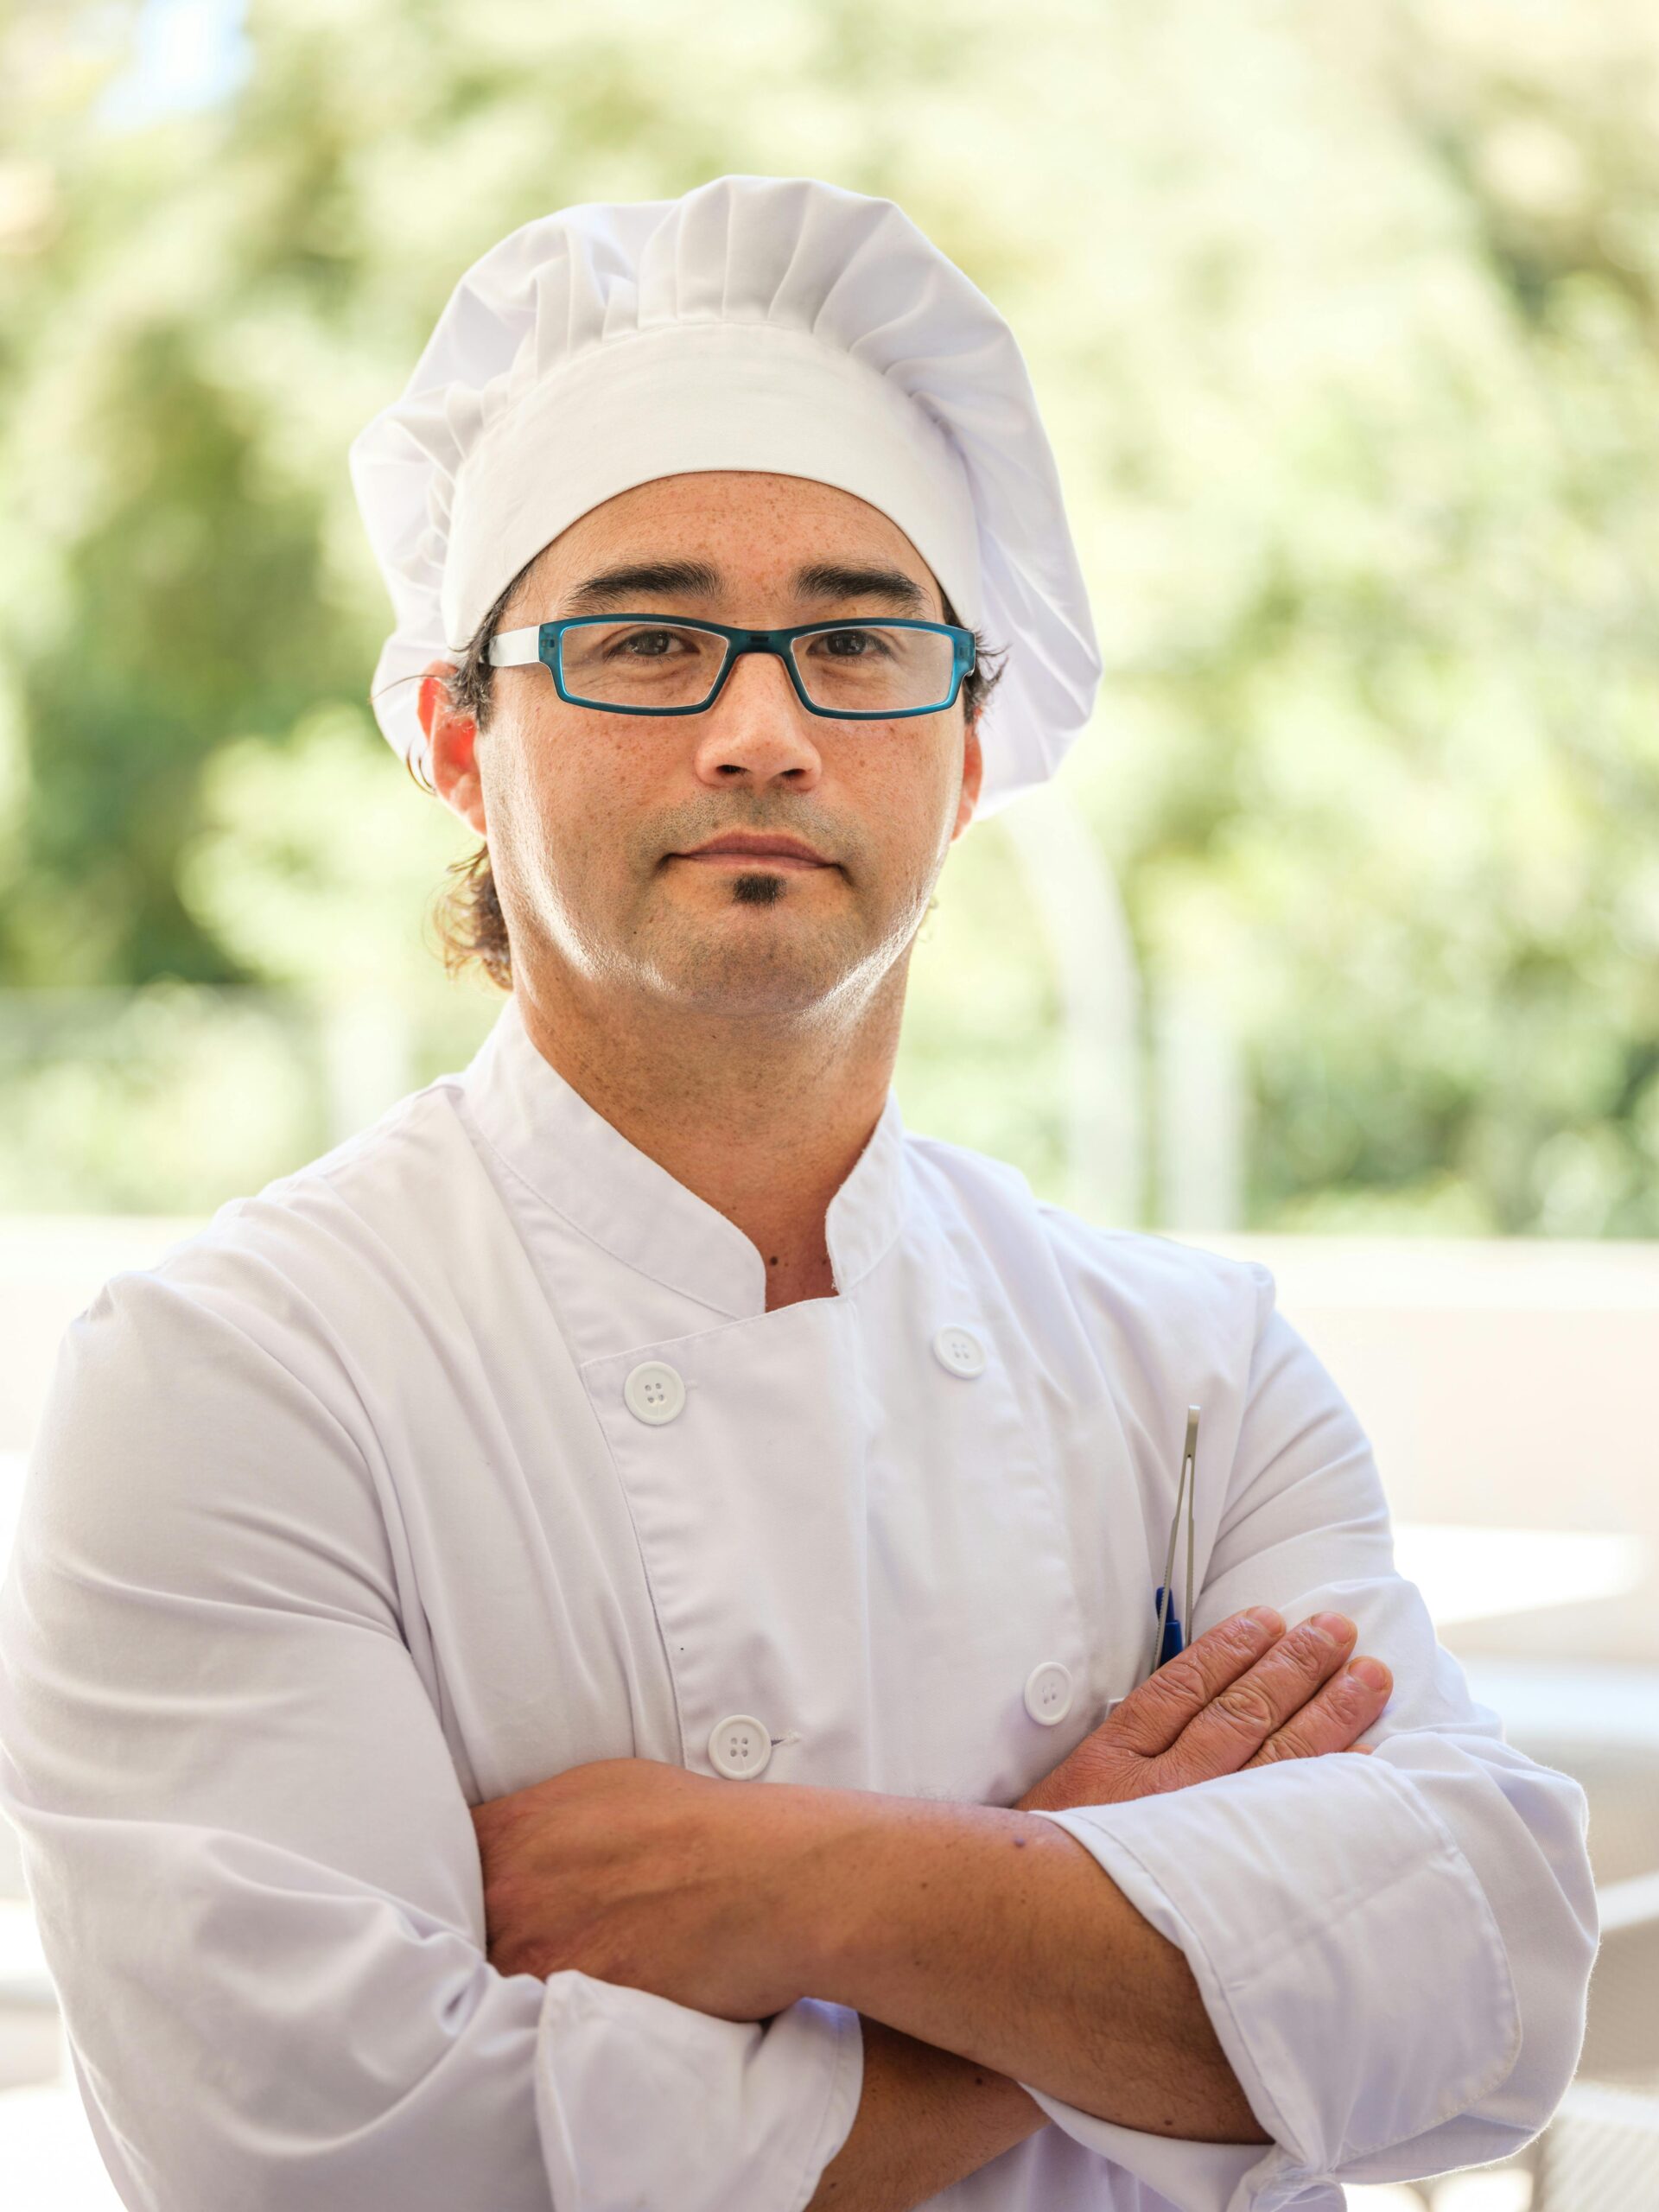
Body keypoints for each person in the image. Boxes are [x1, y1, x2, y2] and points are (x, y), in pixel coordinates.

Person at [0, 175, 1595, 2212]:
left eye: (856, 637)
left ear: (968, 738)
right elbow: (330, 2155)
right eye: (651, 635)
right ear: (458, 737)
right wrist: (1110, 1914)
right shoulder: (235, 1381)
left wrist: (790, 1885)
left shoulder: (1194, 1368)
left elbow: (1479, 1983)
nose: (762, 725)